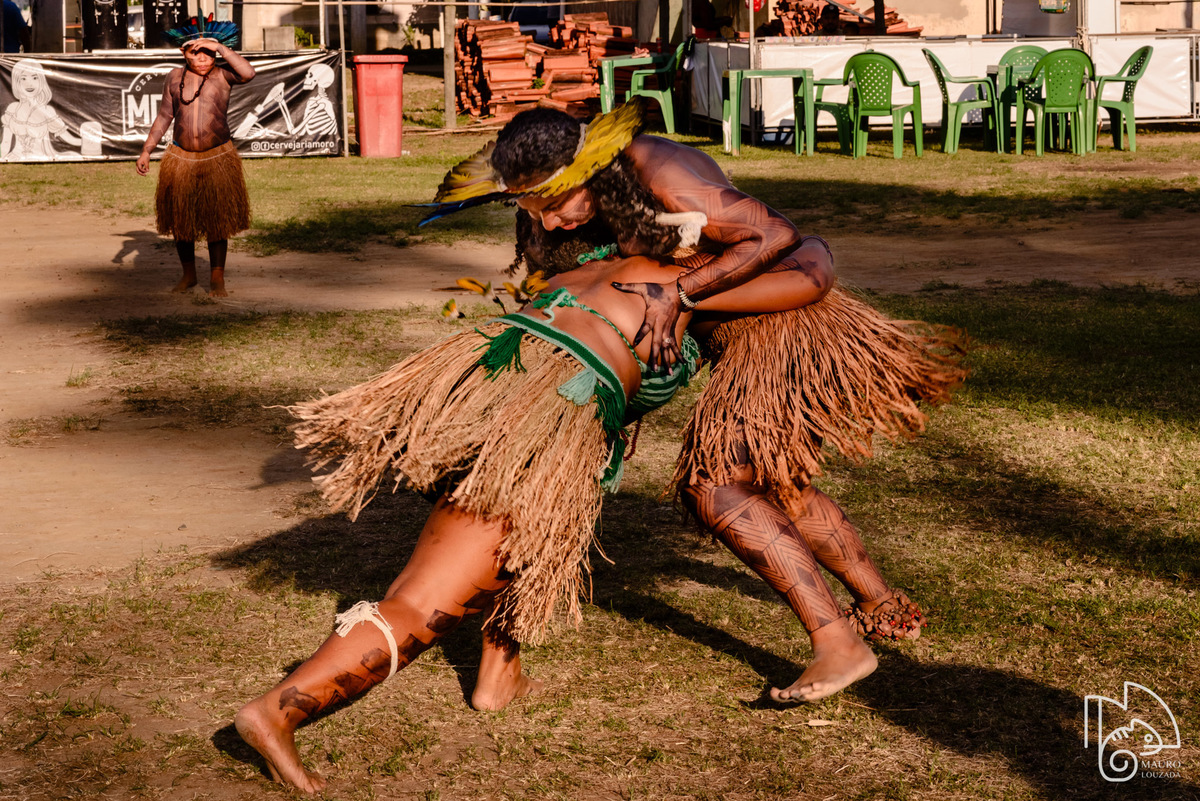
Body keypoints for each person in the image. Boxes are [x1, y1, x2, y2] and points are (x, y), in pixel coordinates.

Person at [235, 234, 832, 793]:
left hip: (481, 389)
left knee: (524, 543)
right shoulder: (684, 281)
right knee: (425, 602)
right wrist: (767, 245)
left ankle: (499, 676)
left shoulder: (590, 265)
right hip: (534, 421)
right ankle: (278, 710)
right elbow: (811, 273)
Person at [431, 99, 960, 703]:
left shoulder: (659, 171)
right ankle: (879, 601)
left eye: (553, 205)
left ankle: (839, 644)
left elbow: (784, 240)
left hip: (783, 320)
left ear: (589, 166)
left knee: (718, 483)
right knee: (775, 482)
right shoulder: (557, 203)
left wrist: (682, 296)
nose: (547, 223)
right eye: (530, 209)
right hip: (733, 328)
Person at [136, 30, 255, 297]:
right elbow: (164, 116)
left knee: (216, 219)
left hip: (217, 157)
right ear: (183, 52)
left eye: (208, 53)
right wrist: (146, 151)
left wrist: (220, 47)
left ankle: (217, 279)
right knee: (182, 220)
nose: (202, 58)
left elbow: (248, 73)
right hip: (181, 158)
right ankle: (188, 275)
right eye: (195, 52)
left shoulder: (223, 74)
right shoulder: (175, 78)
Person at [1, 59, 83, 160]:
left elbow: (70, 139)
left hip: (42, 157)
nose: (29, 84)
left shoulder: (47, 110)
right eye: (23, 78)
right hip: (15, 157)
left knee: (75, 157)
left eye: (35, 78)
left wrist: (94, 141)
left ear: (41, 80)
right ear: (16, 81)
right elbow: (5, 142)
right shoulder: (12, 109)